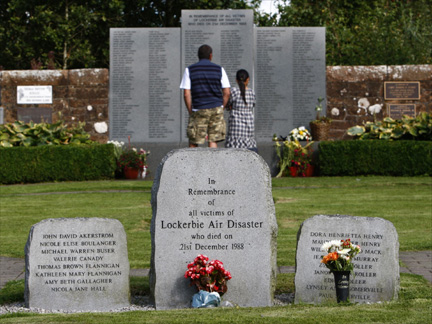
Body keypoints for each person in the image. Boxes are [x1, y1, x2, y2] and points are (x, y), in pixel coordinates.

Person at [180, 44, 230, 148]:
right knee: (213, 140)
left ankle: (192, 164)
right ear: (211, 56)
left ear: (198, 56)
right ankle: (213, 164)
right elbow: (227, 92)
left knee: (194, 140)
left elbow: (186, 94)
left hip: (198, 108)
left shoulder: (189, 70)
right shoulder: (219, 69)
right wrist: (221, 107)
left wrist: (191, 110)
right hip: (216, 107)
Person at [225, 69, 257, 152]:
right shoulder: (252, 92)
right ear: (248, 79)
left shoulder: (233, 91)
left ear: (236, 80)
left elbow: (228, 105)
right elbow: (253, 104)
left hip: (235, 124)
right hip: (248, 125)